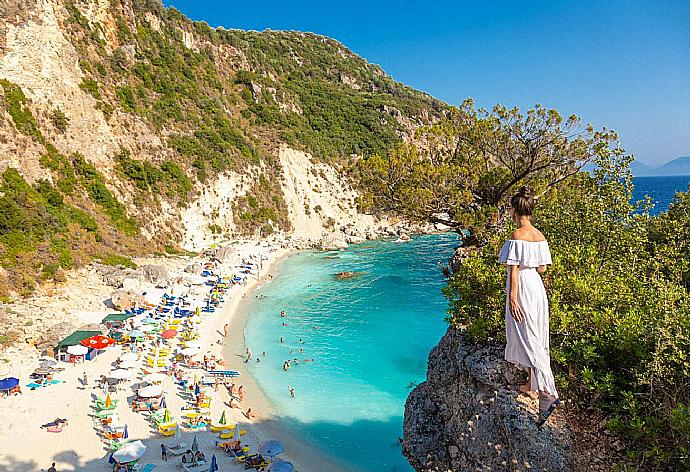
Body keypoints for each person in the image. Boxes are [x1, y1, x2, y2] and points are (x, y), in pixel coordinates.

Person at [498, 187, 560, 426]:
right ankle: (533, 387)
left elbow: (513, 270)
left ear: (515, 210)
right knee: (536, 334)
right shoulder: (539, 235)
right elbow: (543, 268)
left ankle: (548, 391)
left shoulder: (517, 235)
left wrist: (513, 298)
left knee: (528, 337)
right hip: (537, 286)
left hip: (523, 286)